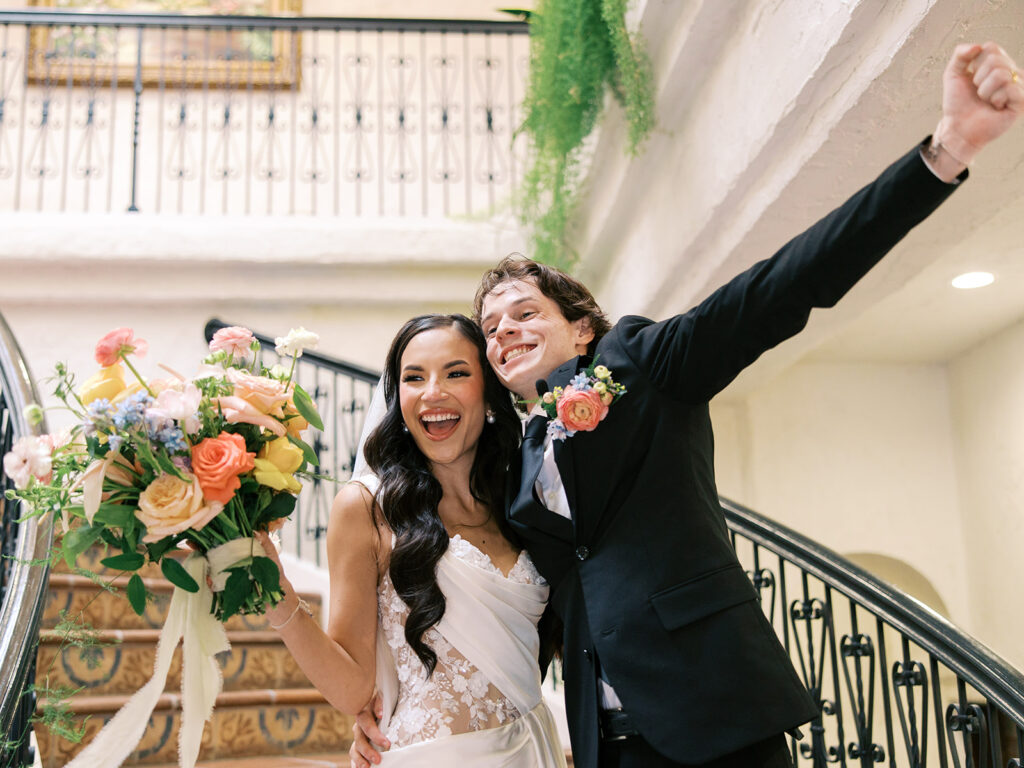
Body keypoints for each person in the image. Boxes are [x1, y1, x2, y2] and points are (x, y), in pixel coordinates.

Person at [350, 42, 1022, 768]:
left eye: (523, 313)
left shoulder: (641, 363)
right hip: (610, 746)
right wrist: (397, 706)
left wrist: (945, 152)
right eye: (491, 328)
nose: (504, 331)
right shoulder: (513, 467)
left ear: (581, 326)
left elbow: (782, 286)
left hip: (718, 714)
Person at [257, 314, 567, 767]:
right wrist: (273, 589)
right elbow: (352, 688)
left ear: (489, 394)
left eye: (456, 373)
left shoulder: (521, 499)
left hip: (534, 750)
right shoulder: (366, 508)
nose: (432, 392)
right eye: (414, 377)